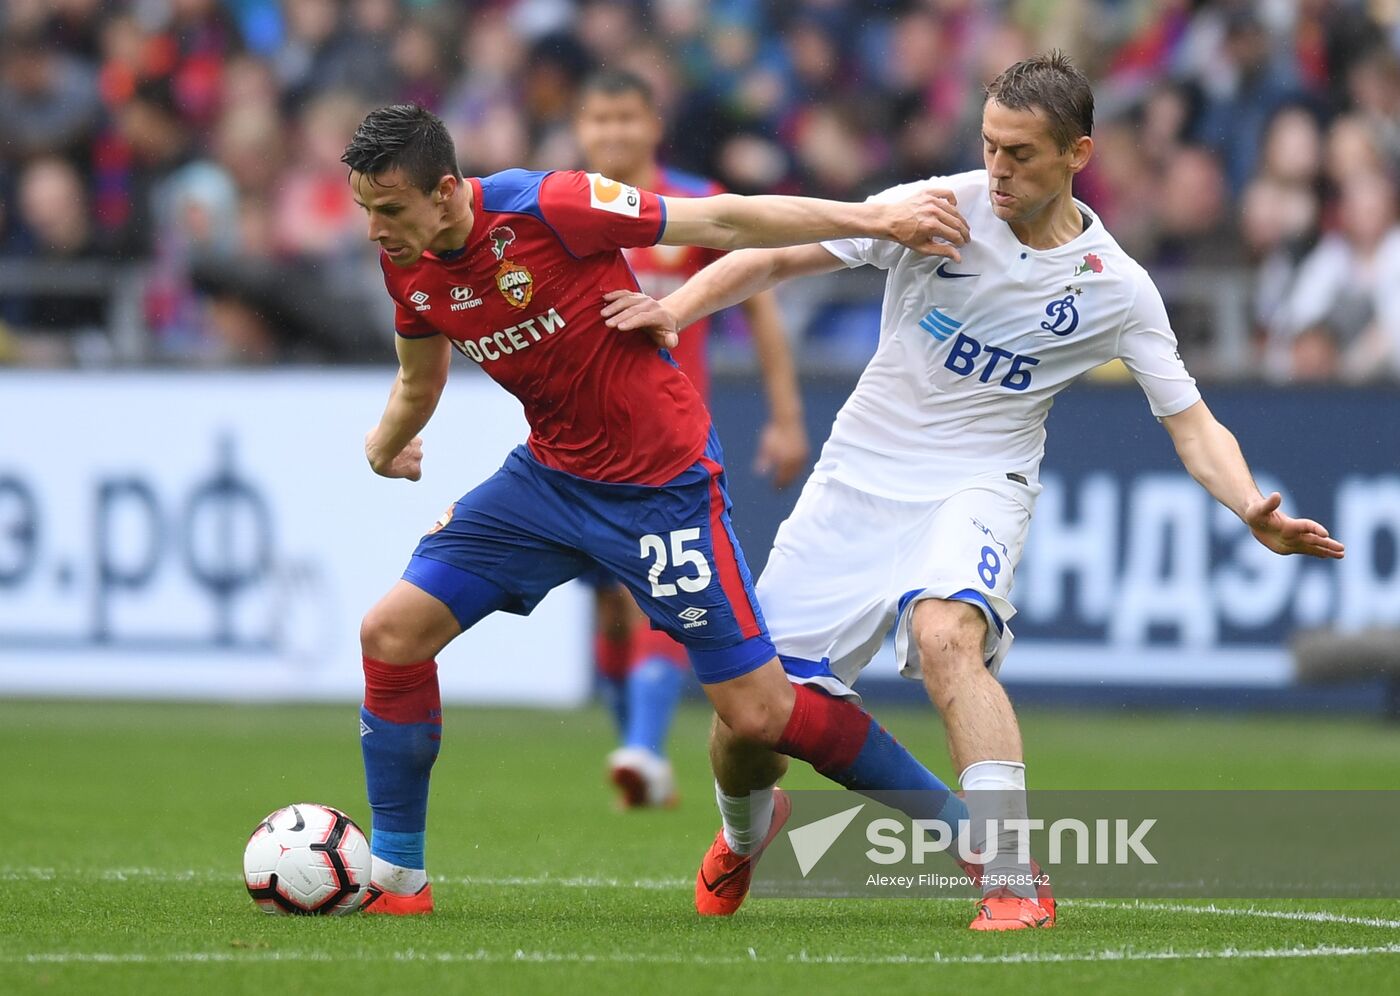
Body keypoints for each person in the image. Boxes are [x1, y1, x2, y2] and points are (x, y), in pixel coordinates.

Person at [604, 51, 1346, 930]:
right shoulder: (939, 207)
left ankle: (1011, 877)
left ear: (1078, 154)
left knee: (949, 632)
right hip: (857, 479)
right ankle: (745, 836)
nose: (996, 169)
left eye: (1020, 154)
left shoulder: (1117, 289)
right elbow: (780, 258)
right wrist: (678, 308)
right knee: (748, 723)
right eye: (989, 145)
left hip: (978, 483)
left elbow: (1189, 421)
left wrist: (1247, 505)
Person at [343, 103, 980, 916]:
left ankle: (966, 833)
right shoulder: (407, 261)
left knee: (758, 714)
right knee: (390, 634)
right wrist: (385, 443)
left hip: (660, 488)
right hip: (547, 481)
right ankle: (399, 883)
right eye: (366, 210)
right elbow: (417, 383)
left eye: (388, 210)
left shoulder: (550, 204)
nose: (373, 231)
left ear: (446, 191)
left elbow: (722, 218)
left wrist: (877, 219)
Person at [573, 68, 809, 808]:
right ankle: (635, 748)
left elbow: (759, 311)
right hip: (574, 446)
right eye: (598, 120)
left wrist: (786, 415)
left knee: (652, 587)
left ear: (653, 125)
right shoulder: (563, 208)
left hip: (665, 448)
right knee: (610, 605)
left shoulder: (694, 208)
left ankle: (642, 747)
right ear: (582, 129)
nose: (612, 134)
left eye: (625, 118)